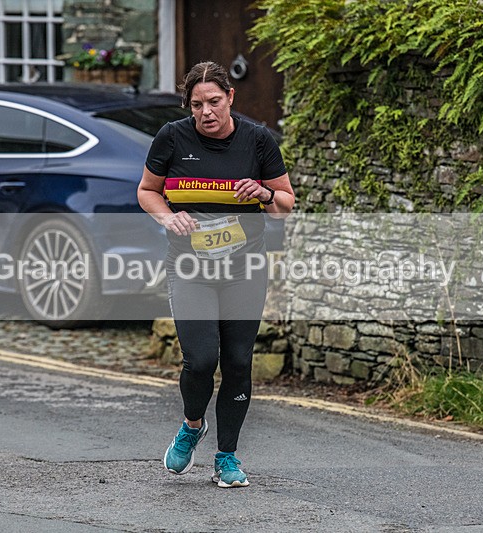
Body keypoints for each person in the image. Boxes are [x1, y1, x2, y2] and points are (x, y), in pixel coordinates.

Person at [137, 61, 294, 488]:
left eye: (214, 101)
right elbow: (147, 191)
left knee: (238, 361)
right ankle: (192, 425)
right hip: (190, 267)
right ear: (188, 106)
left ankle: (227, 457)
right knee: (202, 360)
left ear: (230, 97)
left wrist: (264, 193)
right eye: (197, 104)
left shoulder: (257, 139)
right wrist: (168, 217)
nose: (206, 112)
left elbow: (285, 204)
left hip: (244, 268)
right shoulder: (172, 137)